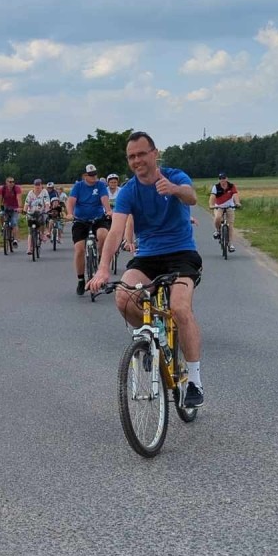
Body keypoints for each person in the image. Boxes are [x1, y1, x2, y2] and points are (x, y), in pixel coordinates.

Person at [87, 132, 206, 408]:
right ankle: (155, 335)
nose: (137, 160)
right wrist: (103, 268)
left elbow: (191, 197)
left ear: (155, 153)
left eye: (142, 154)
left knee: (179, 308)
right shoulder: (129, 191)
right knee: (123, 296)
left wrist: (174, 190)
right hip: (148, 256)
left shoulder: (175, 176)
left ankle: (195, 381)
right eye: (132, 156)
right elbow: (116, 231)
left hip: (181, 253)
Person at [65, 164, 114, 295]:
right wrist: (70, 213)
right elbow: (70, 201)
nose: (94, 177)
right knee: (79, 249)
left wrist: (108, 211)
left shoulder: (100, 185)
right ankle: (81, 279)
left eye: (95, 174)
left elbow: (104, 199)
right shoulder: (78, 186)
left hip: (97, 218)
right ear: (84, 176)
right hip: (80, 220)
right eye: (91, 175)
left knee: (103, 235)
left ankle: (100, 261)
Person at [208, 173, 241, 253]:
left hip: (229, 206)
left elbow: (235, 195)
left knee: (230, 225)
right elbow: (212, 197)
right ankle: (218, 231)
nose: (222, 180)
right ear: (219, 180)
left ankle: (230, 244)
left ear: (227, 178)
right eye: (220, 179)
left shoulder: (231, 186)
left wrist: (237, 203)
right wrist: (211, 205)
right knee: (218, 218)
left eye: (223, 178)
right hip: (219, 206)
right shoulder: (216, 187)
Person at [0, 176, 23, 250]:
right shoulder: (2, 189)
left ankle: (15, 240)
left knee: (14, 222)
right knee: (1, 214)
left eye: (13, 182)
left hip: (15, 207)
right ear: (6, 183)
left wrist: (20, 207)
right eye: (10, 182)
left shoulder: (17, 189)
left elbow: (19, 198)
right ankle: (3, 227)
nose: (12, 183)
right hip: (5, 207)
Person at [23, 179, 51, 255]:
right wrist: (24, 211)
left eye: (39, 185)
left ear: (41, 185)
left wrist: (47, 209)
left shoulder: (44, 192)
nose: (37, 187)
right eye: (36, 185)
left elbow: (47, 202)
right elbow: (26, 203)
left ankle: (42, 234)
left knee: (42, 221)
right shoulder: (30, 193)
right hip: (31, 213)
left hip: (41, 212)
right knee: (30, 231)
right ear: (34, 186)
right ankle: (29, 248)